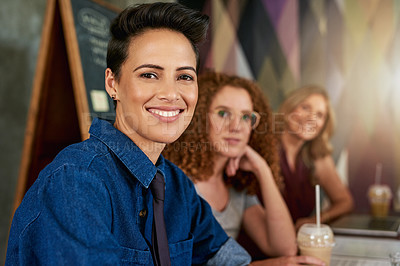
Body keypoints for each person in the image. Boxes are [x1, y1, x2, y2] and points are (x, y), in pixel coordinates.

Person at [6, 3, 252, 265]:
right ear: (113, 84)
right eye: (149, 74)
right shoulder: (75, 181)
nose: (171, 94)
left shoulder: (177, 185)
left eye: (184, 77)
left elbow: (231, 260)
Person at [163, 71, 325, 265]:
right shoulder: (175, 181)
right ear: (199, 118)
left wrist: (262, 169)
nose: (236, 126)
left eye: (246, 117)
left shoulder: (236, 186)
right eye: (223, 113)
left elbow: (284, 247)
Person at [277, 85, 354, 230]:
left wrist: (316, 220)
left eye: (319, 115)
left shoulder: (316, 157)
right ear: (289, 108)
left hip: (298, 244)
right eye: (305, 108)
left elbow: (345, 202)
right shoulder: (264, 147)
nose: (311, 119)